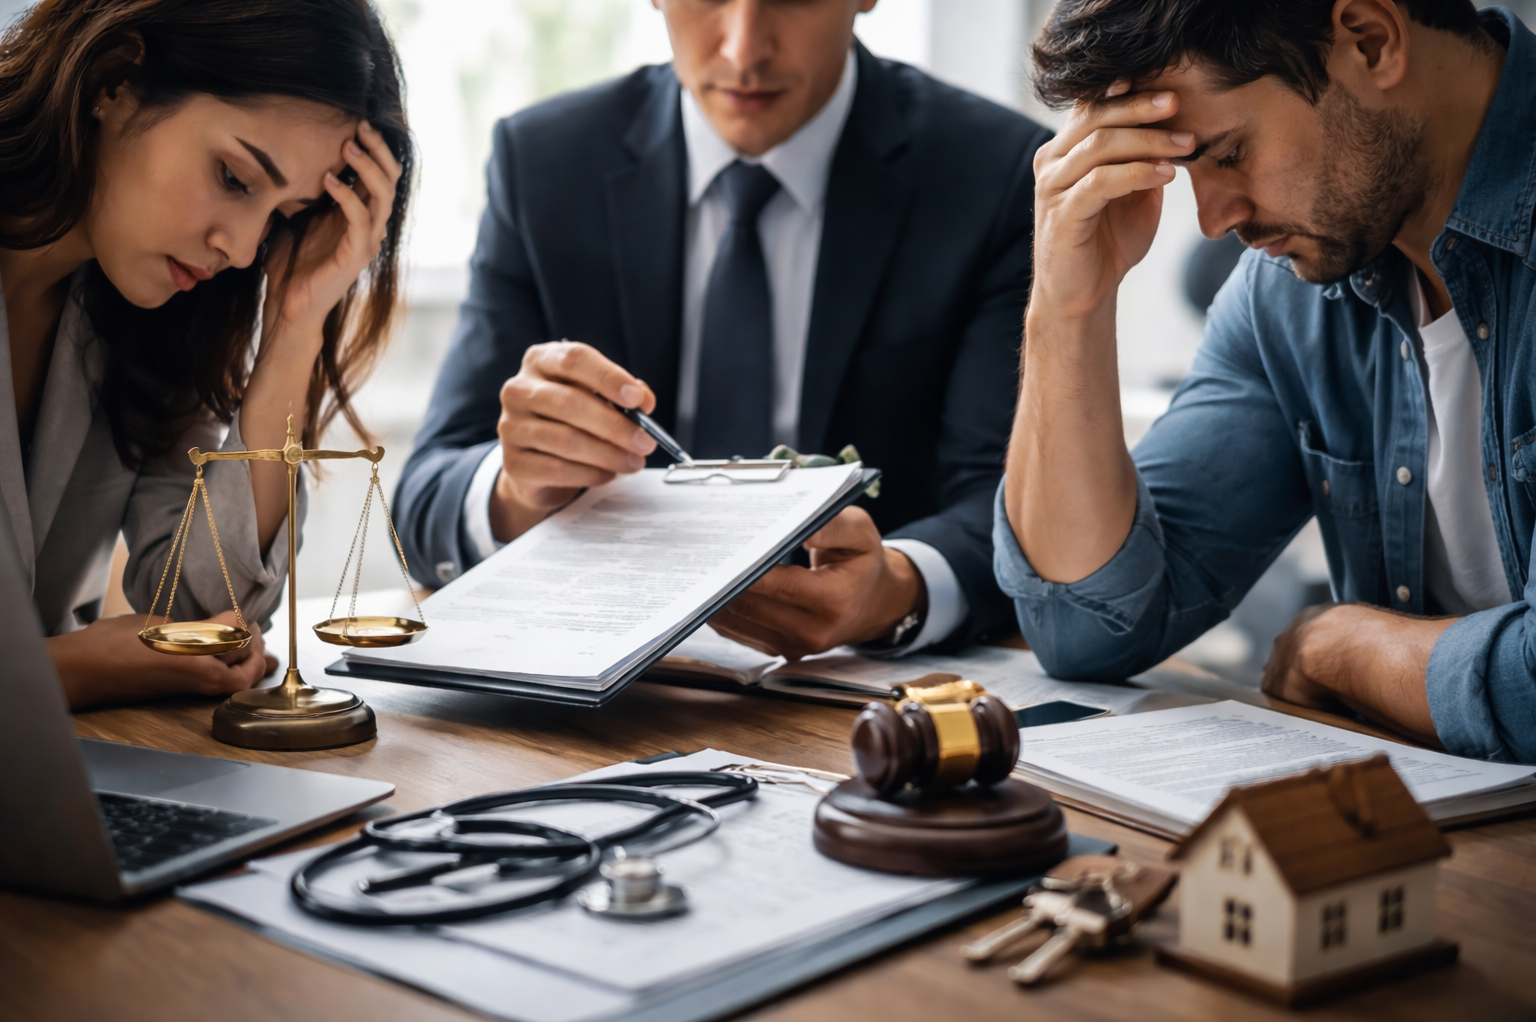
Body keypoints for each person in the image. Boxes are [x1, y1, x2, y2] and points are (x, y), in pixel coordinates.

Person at [396, 0, 1049, 660]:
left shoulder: (992, 174)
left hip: (848, 695)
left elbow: (1006, 501)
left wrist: (895, 589)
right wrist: (516, 491)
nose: (743, 50)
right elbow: (423, 497)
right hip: (597, 686)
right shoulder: (543, 164)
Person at [996, 0, 1536, 761]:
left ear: (1371, 39)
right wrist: (1066, 306)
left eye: (1226, 153)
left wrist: (1337, 646)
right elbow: (1085, 626)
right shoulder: (1287, 295)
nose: (1215, 221)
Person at [0, 0, 410, 708]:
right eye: (235, 179)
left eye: (280, 217)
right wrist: (62, 672)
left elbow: (204, 612)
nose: (244, 250)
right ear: (113, 78)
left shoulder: (144, 316)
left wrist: (291, 329)